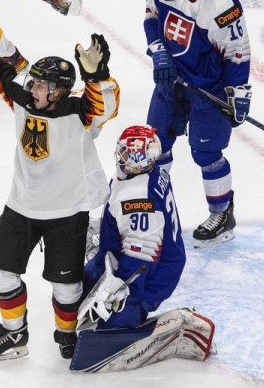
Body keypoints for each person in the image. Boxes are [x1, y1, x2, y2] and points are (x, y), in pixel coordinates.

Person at [0, 17, 119, 361]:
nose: (35, 89)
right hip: (21, 206)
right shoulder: (23, 99)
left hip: (67, 212)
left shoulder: (80, 112)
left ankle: (66, 334)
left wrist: (96, 76)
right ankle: (15, 335)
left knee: (66, 287)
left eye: (44, 86)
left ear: (60, 90)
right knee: (0, 273)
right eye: (35, 83)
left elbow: (108, 106)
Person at [69, 125, 216, 373]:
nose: (130, 162)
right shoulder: (148, 173)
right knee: (74, 296)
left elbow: (141, 258)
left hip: (150, 275)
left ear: (150, 157)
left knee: (110, 326)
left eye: (138, 157)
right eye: (126, 154)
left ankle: (172, 325)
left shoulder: (139, 199)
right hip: (130, 256)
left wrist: (118, 291)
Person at [143, 0, 252, 248]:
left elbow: (238, 53)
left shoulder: (223, 4)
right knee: (155, 148)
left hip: (209, 87)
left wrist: (237, 93)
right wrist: (159, 51)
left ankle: (221, 214)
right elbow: (150, 17)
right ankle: (157, 213)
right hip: (171, 81)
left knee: (206, 153)